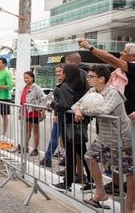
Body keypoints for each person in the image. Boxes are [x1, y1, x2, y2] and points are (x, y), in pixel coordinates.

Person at [78, 39, 135, 196]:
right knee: (115, 161)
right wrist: (79, 109)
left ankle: (129, 205)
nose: (121, 53)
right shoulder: (116, 75)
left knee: (129, 168)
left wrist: (90, 47)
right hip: (113, 124)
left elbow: (111, 59)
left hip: (127, 125)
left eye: (124, 51)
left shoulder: (130, 68)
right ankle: (115, 185)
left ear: (133, 56)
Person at [72, 65, 133, 211]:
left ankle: (129, 206)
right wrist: (79, 109)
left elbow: (104, 109)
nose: (88, 79)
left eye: (91, 77)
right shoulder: (92, 91)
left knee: (129, 173)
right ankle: (100, 193)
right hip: (104, 137)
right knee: (89, 157)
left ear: (101, 79)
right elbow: (75, 105)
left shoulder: (113, 93)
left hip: (122, 138)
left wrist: (83, 110)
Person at [50, 64, 91, 192]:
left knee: (71, 154)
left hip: (68, 124)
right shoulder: (81, 86)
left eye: (63, 71)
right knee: (82, 153)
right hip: (79, 124)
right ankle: (91, 180)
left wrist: (52, 104)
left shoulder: (65, 87)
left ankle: (67, 183)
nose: (60, 73)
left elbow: (65, 106)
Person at [40, 64, 64, 167]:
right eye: (56, 71)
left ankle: (48, 158)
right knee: (61, 137)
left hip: (60, 114)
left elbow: (60, 101)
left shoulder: (64, 85)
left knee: (55, 136)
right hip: (61, 113)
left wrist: (56, 114)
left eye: (60, 71)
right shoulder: (60, 83)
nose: (58, 73)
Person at [20, 71, 46, 156]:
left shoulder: (36, 87)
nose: (25, 79)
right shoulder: (25, 87)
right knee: (27, 130)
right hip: (26, 111)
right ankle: (26, 147)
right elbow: (22, 101)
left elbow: (43, 98)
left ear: (32, 78)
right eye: (24, 78)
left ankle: (35, 149)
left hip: (34, 112)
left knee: (35, 131)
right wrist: (20, 112)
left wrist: (42, 109)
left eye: (27, 77)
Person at [0, 57, 13, 137]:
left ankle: (4, 134)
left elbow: (10, 86)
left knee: (4, 116)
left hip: (5, 97)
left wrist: (0, 86)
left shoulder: (7, 73)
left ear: (4, 64)